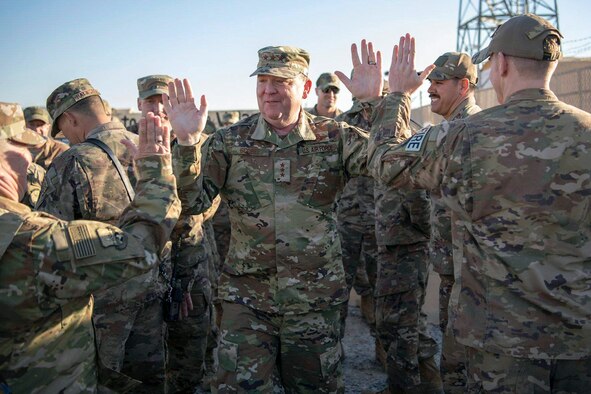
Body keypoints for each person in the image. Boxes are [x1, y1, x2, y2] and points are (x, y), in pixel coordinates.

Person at [365, 14, 591, 392]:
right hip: (580, 337)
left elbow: (384, 163)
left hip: (500, 343)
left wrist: (397, 96)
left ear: (500, 63)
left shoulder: (465, 134)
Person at [166, 43, 379, 392]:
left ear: (305, 88)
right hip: (247, 300)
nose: (268, 90)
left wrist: (375, 105)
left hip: (314, 301)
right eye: (262, 80)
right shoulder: (230, 142)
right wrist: (187, 143)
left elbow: (393, 163)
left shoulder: (334, 138)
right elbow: (191, 203)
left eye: (281, 81)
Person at [0, 101, 180, 393]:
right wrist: (156, 175)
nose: (30, 159)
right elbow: (139, 248)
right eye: (23, 148)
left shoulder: (69, 162)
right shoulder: (33, 241)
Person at [36, 78, 167, 392]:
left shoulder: (72, 161)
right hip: (154, 287)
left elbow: (48, 241)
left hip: (102, 305)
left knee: (101, 382)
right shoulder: (149, 149)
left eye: (63, 129)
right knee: (149, 380)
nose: (65, 137)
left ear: (71, 119)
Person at [135, 74, 217, 392]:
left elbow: (205, 206)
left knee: (191, 346)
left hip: (188, 259)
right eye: (151, 101)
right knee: (146, 355)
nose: (158, 108)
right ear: (138, 105)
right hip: (144, 267)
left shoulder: (199, 142)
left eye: (164, 101)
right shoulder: (128, 147)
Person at [424, 51, 482, 392]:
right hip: (453, 269)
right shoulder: (449, 128)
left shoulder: (467, 130)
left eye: (439, 82)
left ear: (464, 86)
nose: (430, 88)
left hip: (468, 275)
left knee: (461, 366)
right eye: (430, 82)